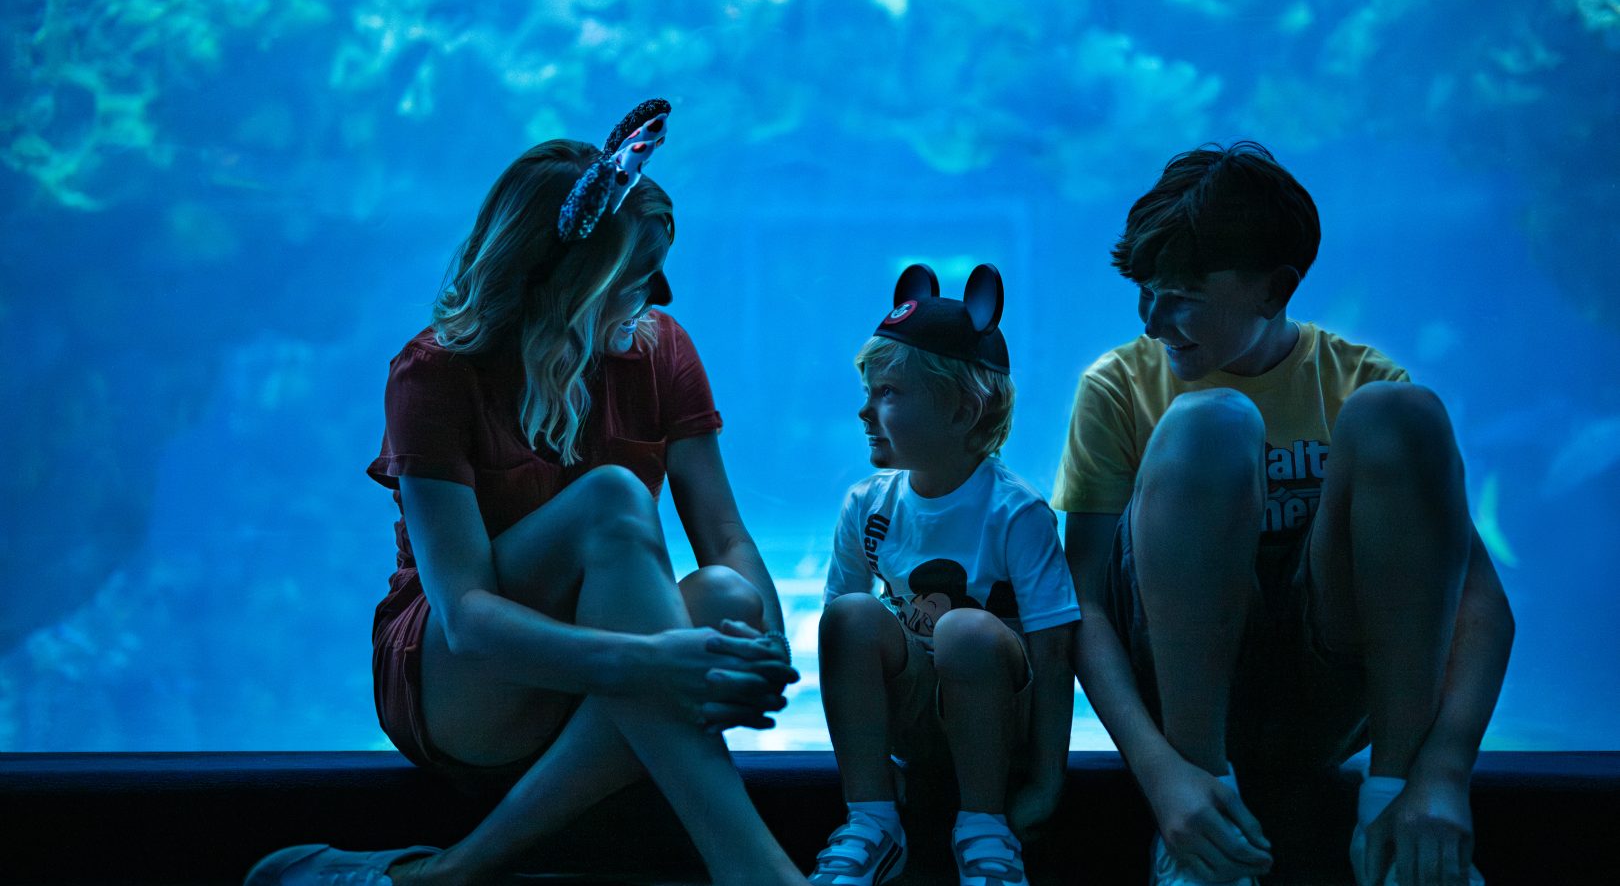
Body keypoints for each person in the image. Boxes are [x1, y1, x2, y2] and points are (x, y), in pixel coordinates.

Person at [246, 101, 809, 886]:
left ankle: (450, 874)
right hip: (465, 685)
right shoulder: (434, 374)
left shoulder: (662, 351)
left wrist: (767, 652)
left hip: (591, 676)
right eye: (641, 274)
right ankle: (757, 872)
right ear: (571, 280)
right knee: (612, 500)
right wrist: (652, 662)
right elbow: (467, 617)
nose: (664, 294)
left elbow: (726, 537)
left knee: (727, 599)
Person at [1056, 142, 1514, 886]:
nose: (1153, 320)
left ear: (1275, 290)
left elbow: (1480, 604)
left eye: (1183, 295)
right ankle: (1204, 809)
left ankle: (1392, 807)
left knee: (1401, 412)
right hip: (1181, 710)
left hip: (1333, 698)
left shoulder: (1358, 381)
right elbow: (1082, 601)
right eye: (1145, 289)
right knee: (1208, 423)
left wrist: (1444, 771)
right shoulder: (1118, 387)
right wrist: (1161, 773)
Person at [814, 264, 1080, 886]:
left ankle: (985, 826)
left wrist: (1047, 779)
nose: (865, 410)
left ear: (962, 410)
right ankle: (871, 819)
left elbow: (1054, 650)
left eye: (888, 393)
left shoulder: (1017, 513)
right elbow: (842, 641)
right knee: (850, 615)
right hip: (912, 719)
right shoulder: (866, 505)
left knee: (965, 629)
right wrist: (869, 759)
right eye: (869, 390)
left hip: (999, 723)